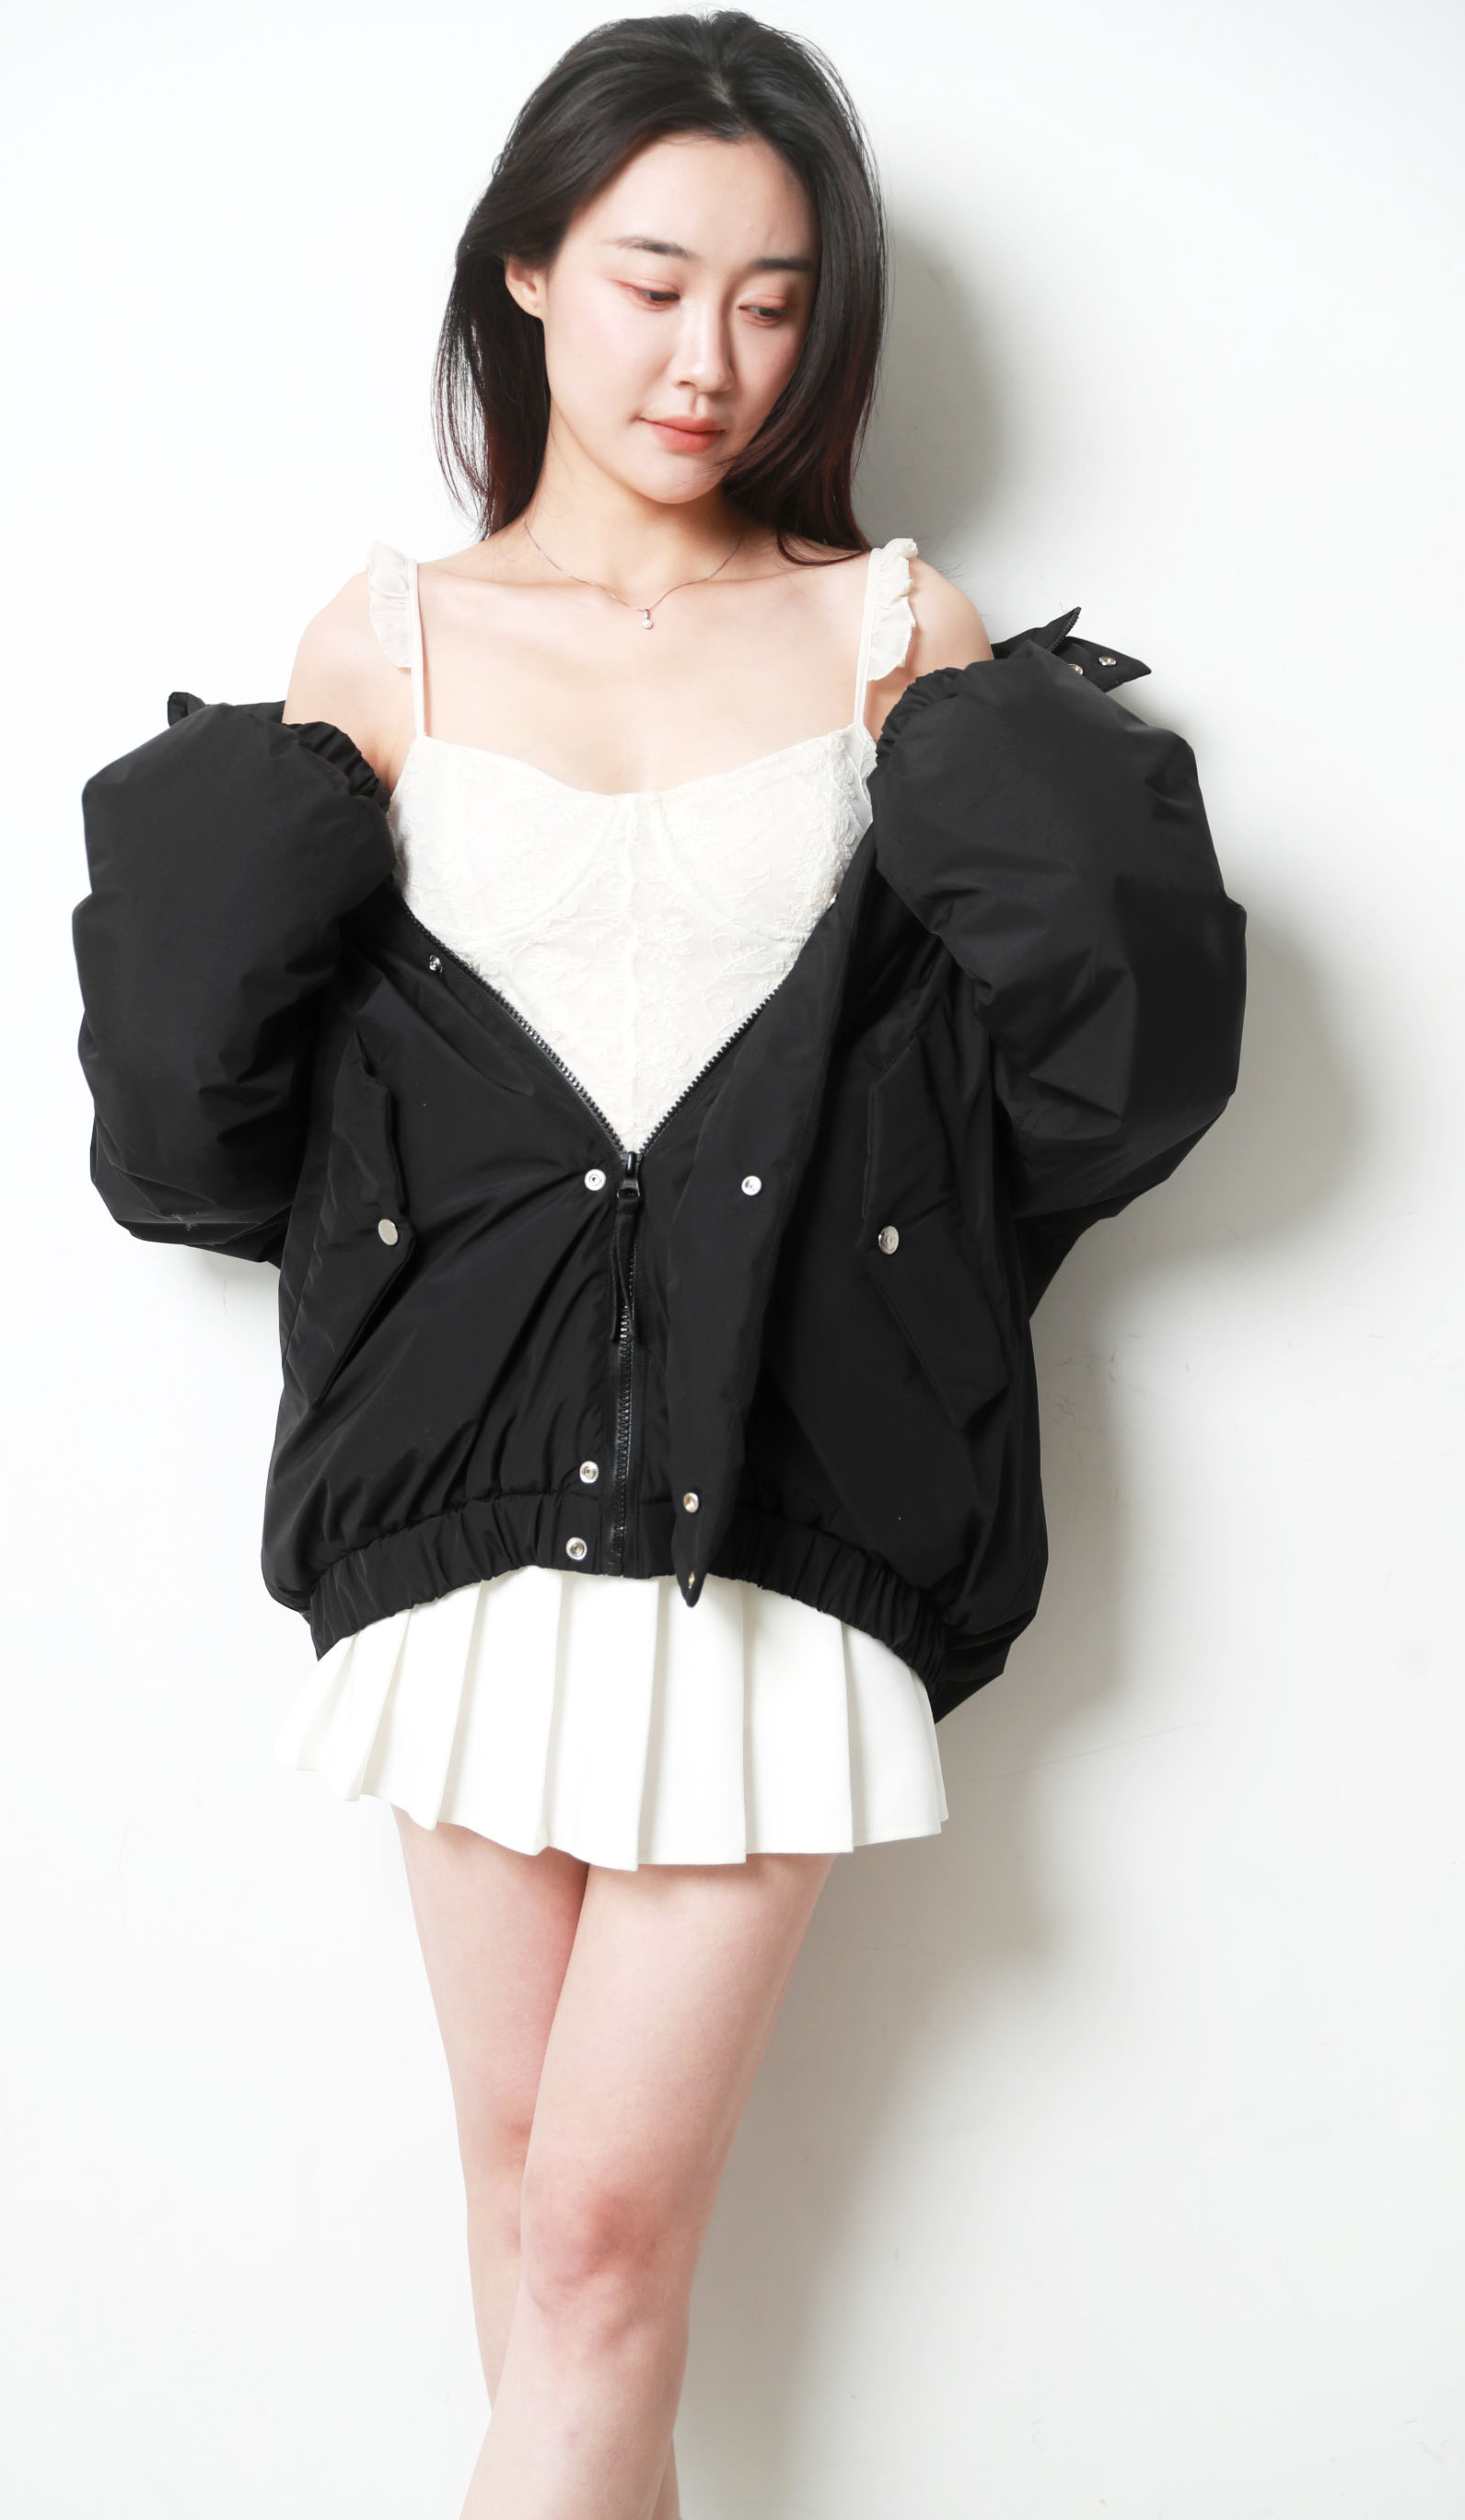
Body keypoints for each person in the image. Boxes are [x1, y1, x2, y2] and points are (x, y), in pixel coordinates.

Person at [71, 14, 1245, 2515]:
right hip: (465, 1495)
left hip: (782, 1500)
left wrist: (983, 736)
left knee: (599, 2241)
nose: (710, 357)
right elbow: (197, 1121)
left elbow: (1110, 1067)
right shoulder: (383, 645)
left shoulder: (893, 629)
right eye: (652, 281)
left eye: (774, 301)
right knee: (535, 2226)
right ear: (527, 274)